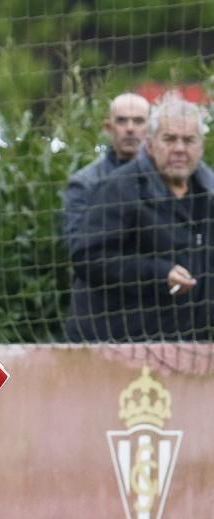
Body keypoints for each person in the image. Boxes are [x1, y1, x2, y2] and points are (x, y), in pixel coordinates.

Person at [72, 94, 214, 342]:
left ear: (200, 147)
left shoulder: (208, 193)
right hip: (121, 344)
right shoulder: (119, 188)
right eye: (169, 139)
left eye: (189, 140)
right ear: (150, 144)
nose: (179, 148)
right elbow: (87, 258)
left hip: (192, 344)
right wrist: (159, 273)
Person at [63, 93, 150, 341]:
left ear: (151, 127)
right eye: (122, 121)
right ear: (108, 127)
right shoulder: (85, 183)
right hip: (98, 321)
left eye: (138, 121)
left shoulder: (168, 182)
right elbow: (79, 251)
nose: (131, 129)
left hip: (155, 321)